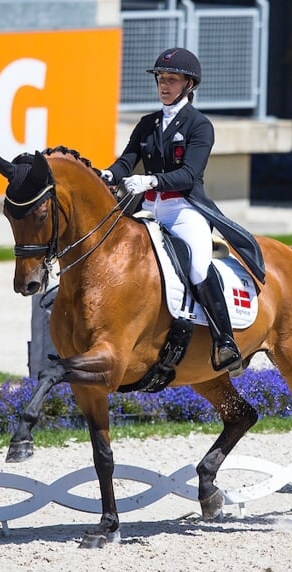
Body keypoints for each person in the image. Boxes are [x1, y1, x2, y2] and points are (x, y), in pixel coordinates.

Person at [101, 47, 266, 375]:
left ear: (189, 84)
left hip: (184, 209)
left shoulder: (199, 125)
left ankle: (225, 342)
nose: (164, 85)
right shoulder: (148, 124)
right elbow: (125, 161)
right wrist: (108, 175)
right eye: (161, 79)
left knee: (198, 267)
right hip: (149, 209)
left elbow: (189, 174)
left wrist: (149, 180)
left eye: (172, 80)